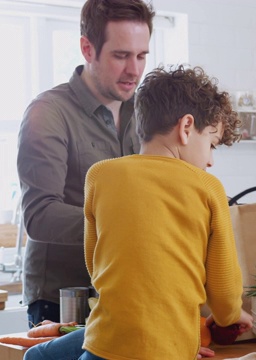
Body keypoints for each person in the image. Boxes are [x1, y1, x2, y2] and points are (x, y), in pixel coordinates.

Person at [25, 65, 252, 359]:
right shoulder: (208, 188)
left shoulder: (100, 175)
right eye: (211, 144)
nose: (210, 160)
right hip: (168, 347)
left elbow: (96, 263)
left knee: (37, 356)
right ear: (186, 128)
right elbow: (223, 291)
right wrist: (231, 315)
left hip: (106, 339)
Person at [17, 0, 154, 326]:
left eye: (141, 55)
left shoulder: (146, 113)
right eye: (121, 55)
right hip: (61, 301)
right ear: (87, 49)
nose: (134, 70)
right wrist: (125, 225)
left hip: (128, 292)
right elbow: (40, 216)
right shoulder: (48, 113)